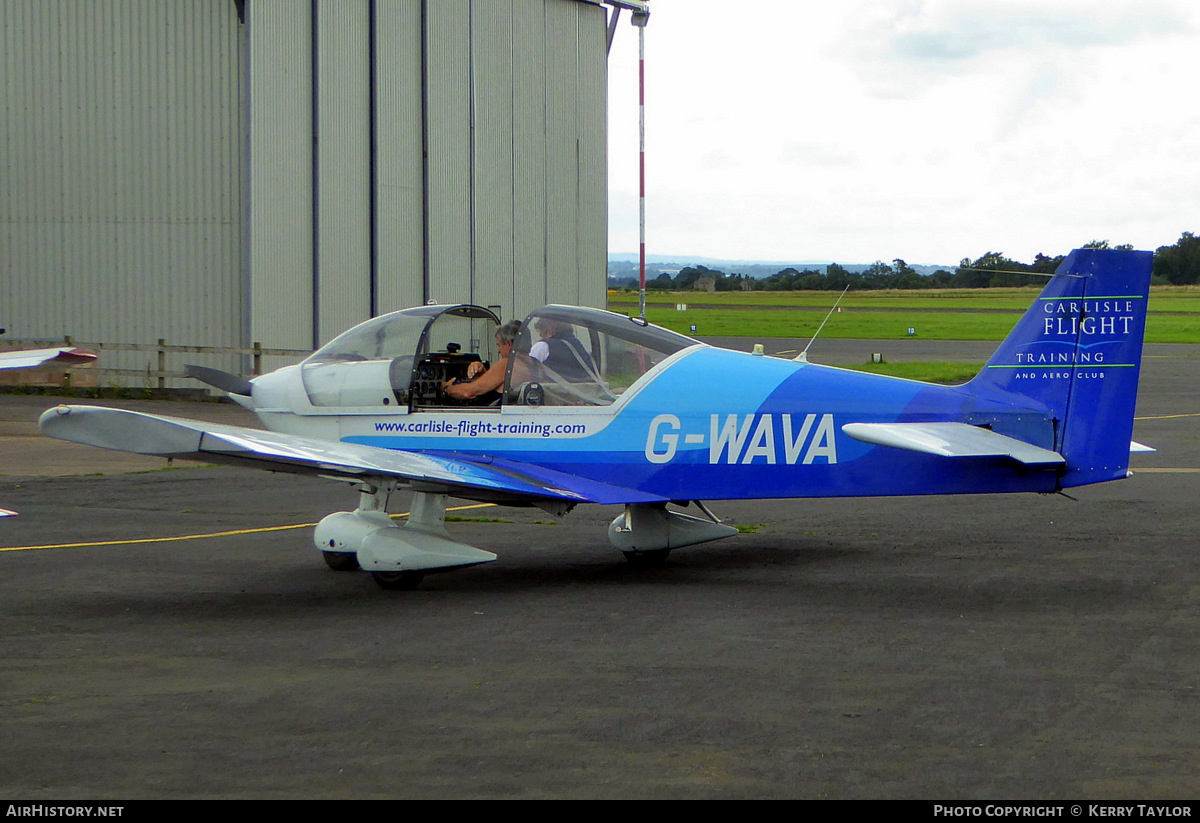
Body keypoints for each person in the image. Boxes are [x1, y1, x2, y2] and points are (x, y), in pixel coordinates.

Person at [441, 320, 521, 402]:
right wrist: (483, 373)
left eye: (499, 345)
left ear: (509, 344)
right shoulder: (532, 364)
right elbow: (497, 384)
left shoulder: (508, 364)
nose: (498, 351)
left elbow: (468, 392)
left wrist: (446, 389)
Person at [528, 318, 595, 381]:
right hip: (582, 391)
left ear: (549, 331)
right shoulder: (577, 344)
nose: (540, 335)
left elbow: (527, 369)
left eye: (541, 332)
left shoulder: (543, 346)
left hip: (553, 391)